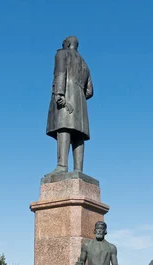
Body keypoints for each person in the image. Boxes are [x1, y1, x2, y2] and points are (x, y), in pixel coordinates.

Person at [46, 36, 94, 174]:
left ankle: (62, 166)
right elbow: (90, 91)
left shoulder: (62, 53)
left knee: (64, 128)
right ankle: (78, 170)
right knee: (79, 134)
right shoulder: (85, 64)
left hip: (67, 96)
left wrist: (59, 94)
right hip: (81, 102)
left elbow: (60, 73)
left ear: (67, 44)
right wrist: (79, 96)